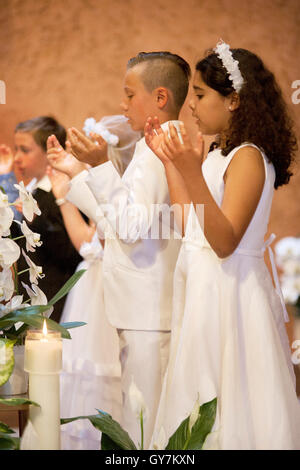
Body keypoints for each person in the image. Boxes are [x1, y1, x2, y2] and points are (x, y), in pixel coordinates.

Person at [145, 41, 300, 450]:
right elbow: (190, 224)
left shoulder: (248, 157)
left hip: (230, 293)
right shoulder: (218, 154)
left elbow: (226, 240)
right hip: (204, 287)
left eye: (199, 94)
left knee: (230, 399)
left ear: (233, 100)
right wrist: (172, 164)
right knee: (196, 390)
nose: (190, 105)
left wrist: (191, 170)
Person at [48, 52, 191, 448]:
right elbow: (117, 220)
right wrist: (78, 171)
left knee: (146, 428)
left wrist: (97, 166)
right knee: (137, 421)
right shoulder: (152, 145)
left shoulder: (161, 147)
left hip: (150, 311)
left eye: (130, 95)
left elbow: (128, 227)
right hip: (141, 308)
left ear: (160, 97)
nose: (122, 105)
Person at [47, 115, 140, 450]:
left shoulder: (120, 194)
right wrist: (62, 196)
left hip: (106, 293)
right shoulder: (108, 192)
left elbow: (94, 246)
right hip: (92, 286)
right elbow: (90, 243)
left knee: (104, 377)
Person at [11, 116, 82, 322]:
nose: (17, 157)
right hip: (29, 302)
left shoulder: (65, 195)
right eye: (16, 149)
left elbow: (71, 254)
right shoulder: (33, 193)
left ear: (49, 153)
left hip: (57, 304)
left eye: (25, 150)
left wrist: (35, 220)